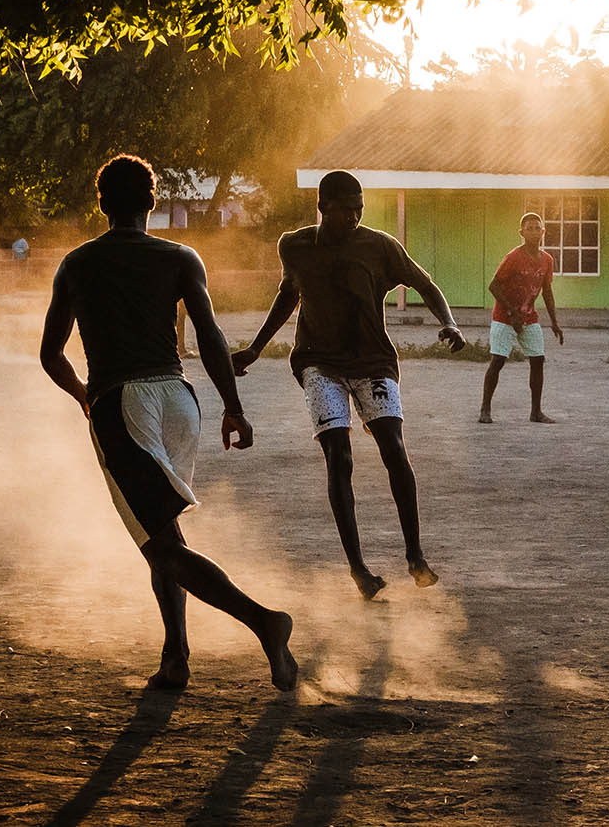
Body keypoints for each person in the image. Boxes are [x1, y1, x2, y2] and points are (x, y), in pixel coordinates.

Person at [39, 154, 297, 692]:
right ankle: (176, 656)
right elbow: (209, 336)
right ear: (153, 202)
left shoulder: (77, 264)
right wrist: (234, 407)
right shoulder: (181, 257)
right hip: (180, 400)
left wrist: (85, 395)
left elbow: (51, 354)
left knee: (160, 546)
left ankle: (263, 623)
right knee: (165, 531)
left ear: (102, 204)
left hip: (122, 403)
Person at [232, 170, 466, 600]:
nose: (355, 217)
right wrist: (255, 347)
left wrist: (448, 322)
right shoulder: (295, 245)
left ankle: (415, 555)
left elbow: (424, 283)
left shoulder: (379, 246)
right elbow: (289, 294)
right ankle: (358, 569)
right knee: (338, 456)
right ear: (322, 207)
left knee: (394, 449)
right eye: (346, 209)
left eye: (360, 208)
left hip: (373, 361)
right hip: (318, 363)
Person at [479, 212, 563, 424]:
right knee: (498, 361)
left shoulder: (546, 260)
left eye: (538, 228)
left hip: (529, 317)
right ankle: (485, 410)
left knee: (538, 360)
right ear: (522, 233)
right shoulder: (514, 257)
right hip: (504, 317)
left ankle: (536, 412)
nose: (534, 232)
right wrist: (512, 312)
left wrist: (554, 322)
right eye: (530, 228)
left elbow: (547, 291)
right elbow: (494, 286)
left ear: (543, 232)